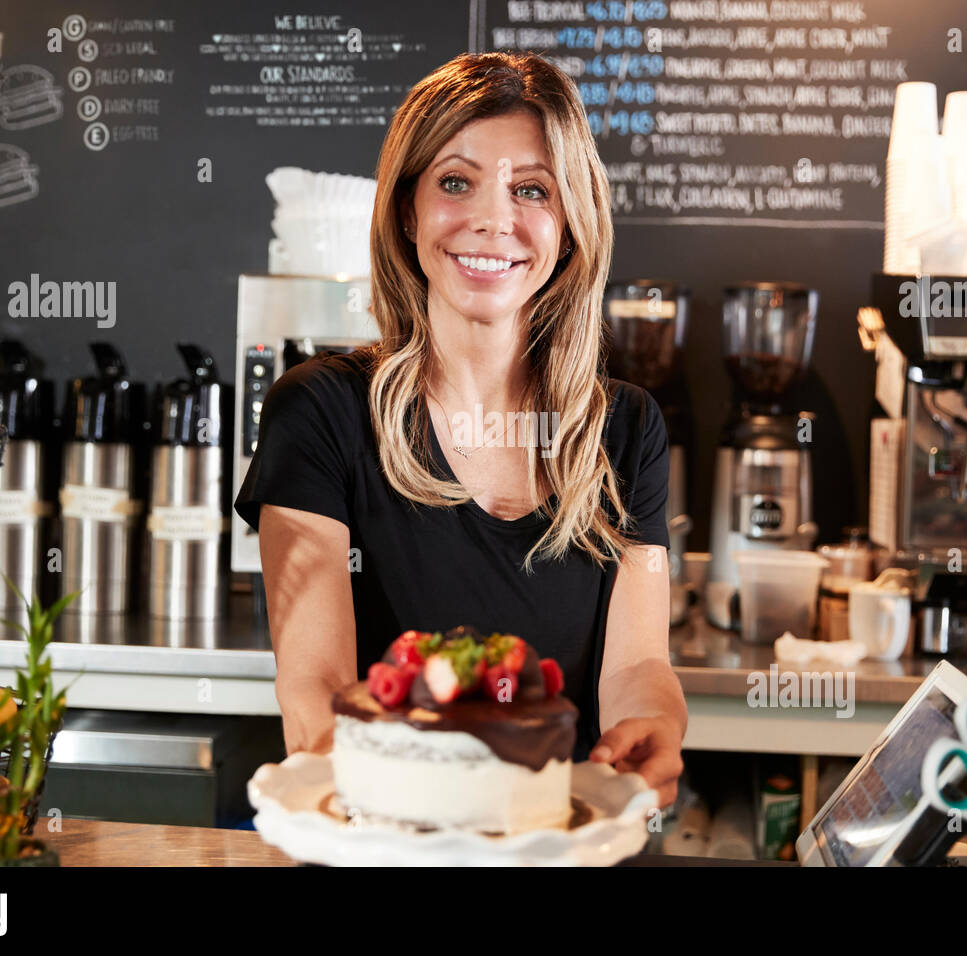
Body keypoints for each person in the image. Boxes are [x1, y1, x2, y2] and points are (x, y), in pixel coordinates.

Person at [234, 51, 686, 807]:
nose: (492, 219)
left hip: (554, 843)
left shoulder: (625, 428)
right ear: (407, 209)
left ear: (570, 225)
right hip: (380, 839)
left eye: (532, 190)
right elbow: (316, 687)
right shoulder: (320, 413)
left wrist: (652, 725)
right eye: (455, 181)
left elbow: (638, 663)